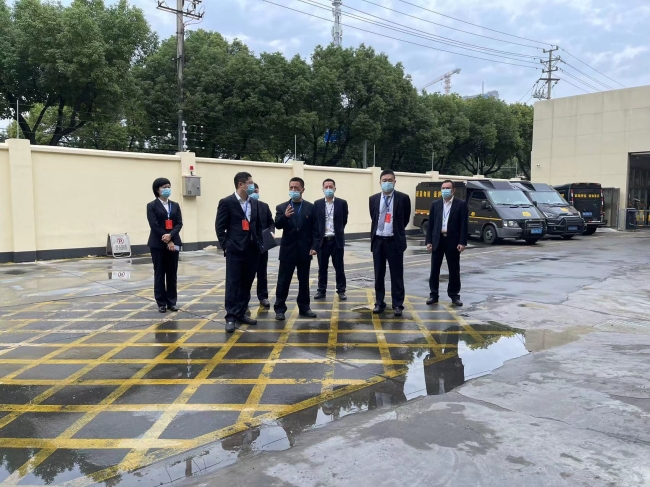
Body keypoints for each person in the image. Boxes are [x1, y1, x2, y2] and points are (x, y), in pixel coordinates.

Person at [215, 172, 264, 332]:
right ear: (241, 184)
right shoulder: (227, 202)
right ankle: (230, 317)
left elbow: (257, 226)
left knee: (246, 283)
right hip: (235, 251)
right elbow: (219, 227)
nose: (252, 185)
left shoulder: (254, 203)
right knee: (233, 284)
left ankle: (241, 313)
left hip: (252, 250)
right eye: (250, 183)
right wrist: (226, 246)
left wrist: (259, 244)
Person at [273, 177, 319, 321]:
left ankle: (304, 307)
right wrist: (285, 216)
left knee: (304, 281)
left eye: (296, 188)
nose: (293, 190)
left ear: (302, 190)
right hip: (288, 251)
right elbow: (277, 225)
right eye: (291, 187)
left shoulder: (311, 207)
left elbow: (316, 229)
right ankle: (280, 309)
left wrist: (315, 246)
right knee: (283, 281)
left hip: (305, 250)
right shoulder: (282, 207)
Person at [369, 169, 411, 316]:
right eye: (384, 180)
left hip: (394, 241)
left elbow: (405, 219)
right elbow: (373, 217)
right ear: (380, 182)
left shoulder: (403, 198)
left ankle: (398, 304)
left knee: (397, 275)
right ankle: (379, 302)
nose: (387, 183)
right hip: (378, 241)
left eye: (390, 180)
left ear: (394, 182)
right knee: (378, 274)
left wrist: (396, 231)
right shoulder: (373, 199)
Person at [426, 179, 468, 307]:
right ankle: (433, 295)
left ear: (453, 190)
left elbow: (464, 225)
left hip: (452, 241)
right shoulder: (436, 204)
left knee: (454, 269)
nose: (445, 190)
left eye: (447, 188)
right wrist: (429, 241)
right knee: (434, 269)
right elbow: (431, 224)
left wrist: (462, 242)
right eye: (443, 188)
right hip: (438, 240)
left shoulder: (461, 204)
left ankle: (454, 295)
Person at [147, 178, 183, 313]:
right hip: (158, 244)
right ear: (158, 189)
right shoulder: (151, 206)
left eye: (169, 186)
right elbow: (154, 225)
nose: (167, 189)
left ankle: (171, 302)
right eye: (164, 187)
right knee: (160, 273)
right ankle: (161, 303)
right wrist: (167, 240)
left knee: (172, 273)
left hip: (174, 244)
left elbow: (179, 223)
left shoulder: (175, 205)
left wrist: (171, 236)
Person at [313, 178, 349, 301]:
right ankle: (321, 290)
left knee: (339, 268)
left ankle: (341, 290)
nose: (328, 189)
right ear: (322, 189)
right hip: (323, 241)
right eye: (326, 187)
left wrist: (337, 232)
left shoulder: (342, 203)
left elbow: (344, 220)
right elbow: (315, 223)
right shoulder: (317, 204)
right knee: (322, 268)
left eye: (331, 187)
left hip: (336, 240)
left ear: (335, 188)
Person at [251, 183, 275, 308]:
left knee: (262, 272)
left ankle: (263, 296)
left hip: (262, 245)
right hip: (247, 246)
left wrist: (271, 231)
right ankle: (243, 299)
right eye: (252, 191)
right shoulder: (243, 206)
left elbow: (271, 222)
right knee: (246, 274)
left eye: (256, 191)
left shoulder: (264, 206)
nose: (255, 193)